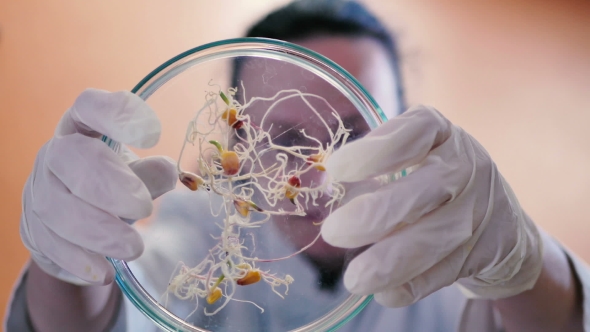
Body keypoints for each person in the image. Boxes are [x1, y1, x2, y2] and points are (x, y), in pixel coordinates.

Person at [5, 0, 589, 331]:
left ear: (408, 131)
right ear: (241, 141)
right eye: (286, 138)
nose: (319, 178)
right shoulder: (202, 233)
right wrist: (65, 261)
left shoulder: (455, 249)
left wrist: (526, 266)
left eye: (355, 134)